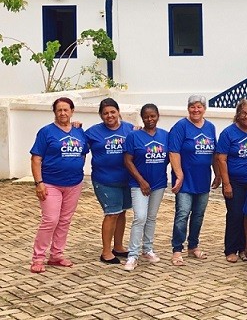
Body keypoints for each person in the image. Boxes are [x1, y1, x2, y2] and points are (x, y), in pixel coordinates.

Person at [29, 97, 89, 273]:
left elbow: (83, 153)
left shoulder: (79, 132)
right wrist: (39, 183)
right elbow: (36, 158)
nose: (63, 113)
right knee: (50, 220)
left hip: (74, 184)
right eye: (59, 110)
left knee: (64, 221)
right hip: (50, 183)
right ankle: (38, 258)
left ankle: (56, 255)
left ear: (72, 111)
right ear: (54, 112)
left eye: (66, 110)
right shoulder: (46, 132)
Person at [168, 95, 217, 266]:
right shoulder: (181, 126)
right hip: (185, 181)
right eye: (192, 107)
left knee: (198, 215)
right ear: (188, 108)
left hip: (202, 179)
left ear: (204, 108)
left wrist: (217, 174)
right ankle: (177, 249)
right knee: (182, 214)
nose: (196, 110)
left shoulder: (210, 127)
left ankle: (193, 246)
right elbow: (173, 152)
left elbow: (214, 154)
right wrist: (179, 175)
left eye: (199, 107)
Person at [123, 103, 173, 271]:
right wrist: (141, 181)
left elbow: (172, 157)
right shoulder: (134, 136)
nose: (150, 119)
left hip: (158, 184)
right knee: (140, 217)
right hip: (139, 185)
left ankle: (148, 249)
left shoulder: (166, 136)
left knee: (151, 217)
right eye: (146, 116)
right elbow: (127, 160)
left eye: (153, 116)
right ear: (142, 118)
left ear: (158, 116)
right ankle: (133, 254)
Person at [85, 98, 134, 265]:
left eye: (112, 112)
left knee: (122, 212)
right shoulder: (92, 132)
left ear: (118, 112)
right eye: (105, 113)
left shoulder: (130, 129)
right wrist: (75, 125)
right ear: (100, 115)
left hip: (126, 180)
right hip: (104, 180)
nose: (109, 115)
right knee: (111, 213)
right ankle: (106, 252)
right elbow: (78, 144)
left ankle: (118, 247)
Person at [214, 99, 247, 263]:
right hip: (234, 181)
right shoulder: (228, 133)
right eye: (243, 113)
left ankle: (245, 248)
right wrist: (226, 184)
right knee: (235, 214)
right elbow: (221, 159)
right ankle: (231, 248)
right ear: (237, 114)